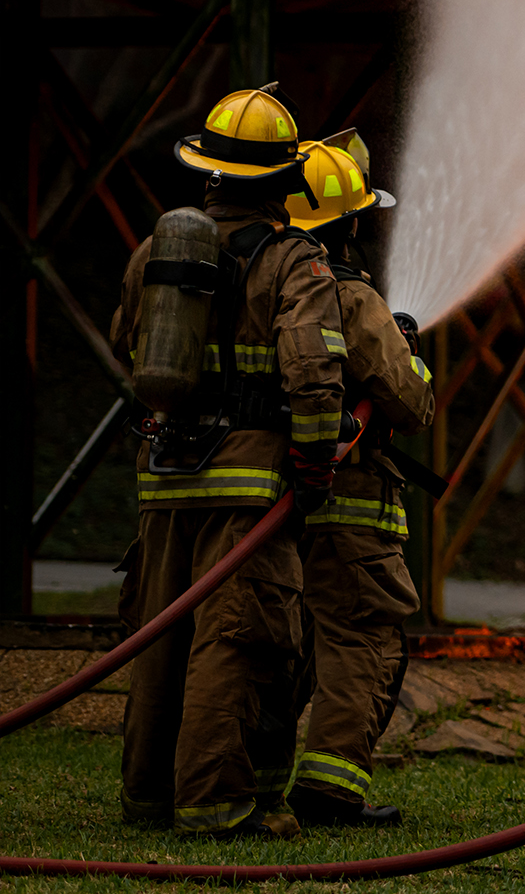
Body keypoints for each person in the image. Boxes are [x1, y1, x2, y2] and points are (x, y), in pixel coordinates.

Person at [110, 86, 345, 838]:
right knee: (234, 637)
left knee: (159, 636)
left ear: (207, 170)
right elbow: (312, 369)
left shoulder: (155, 251)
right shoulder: (293, 260)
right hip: (248, 486)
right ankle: (216, 803)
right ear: (283, 181)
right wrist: (313, 461)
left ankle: (148, 794)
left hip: (166, 476)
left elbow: (128, 342)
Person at [279, 131, 433, 827]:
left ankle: (249, 776)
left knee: (284, 640)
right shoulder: (348, 295)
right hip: (349, 505)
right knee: (363, 637)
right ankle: (331, 788)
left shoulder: (259, 287)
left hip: (271, 502)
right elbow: (410, 400)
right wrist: (409, 353)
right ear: (347, 225)